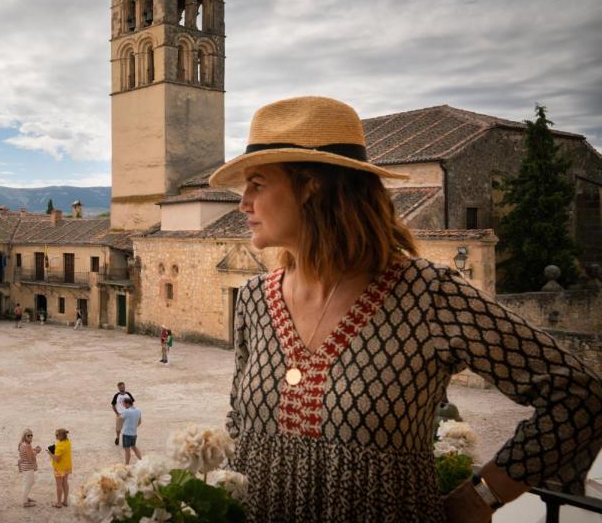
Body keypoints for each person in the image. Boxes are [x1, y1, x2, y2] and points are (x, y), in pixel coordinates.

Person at [210, 96, 602, 522]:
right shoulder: (253, 298)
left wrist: (482, 497)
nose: (243, 203)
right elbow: (240, 423)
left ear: (311, 186)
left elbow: (579, 395)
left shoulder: (427, 296)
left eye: (258, 184)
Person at [46, 428, 72, 508]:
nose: (56, 436)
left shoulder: (60, 445)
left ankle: (59, 503)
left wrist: (50, 453)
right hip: (67, 466)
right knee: (65, 483)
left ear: (61, 435)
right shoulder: (68, 442)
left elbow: (57, 459)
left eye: (57, 435)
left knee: (59, 485)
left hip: (59, 468)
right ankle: (65, 501)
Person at [17, 429, 41, 508]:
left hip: (25, 467)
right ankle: (25, 502)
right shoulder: (27, 446)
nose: (30, 437)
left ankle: (26, 498)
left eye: (31, 435)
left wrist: (33, 450)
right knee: (28, 484)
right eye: (28, 435)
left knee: (29, 483)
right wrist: (36, 452)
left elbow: (27, 454)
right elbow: (30, 459)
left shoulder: (22, 444)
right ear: (25, 436)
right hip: (28, 468)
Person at [119, 398, 142, 465]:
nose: (123, 405)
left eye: (124, 404)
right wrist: (133, 427)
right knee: (134, 447)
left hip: (126, 433)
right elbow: (139, 422)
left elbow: (120, 420)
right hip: (134, 433)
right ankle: (141, 461)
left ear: (127, 403)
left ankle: (126, 465)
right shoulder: (138, 410)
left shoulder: (126, 411)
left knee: (127, 450)